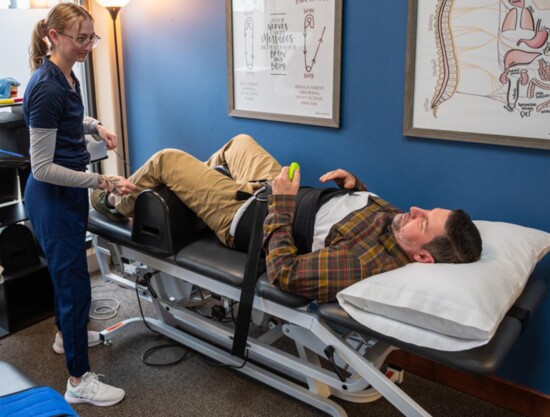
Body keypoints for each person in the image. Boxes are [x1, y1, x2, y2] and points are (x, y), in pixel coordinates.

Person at [91, 134, 482, 303]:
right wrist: (355, 185)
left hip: (248, 216)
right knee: (239, 143)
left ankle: (116, 204)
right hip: (278, 190)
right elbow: (364, 214)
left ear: (423, 257)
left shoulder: (363, 262)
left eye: (423, 221)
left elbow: (285, 272)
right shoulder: (401, 229)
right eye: (425, 211)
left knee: (166, 159)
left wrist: (280, 203)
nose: (414, 211)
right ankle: (191, 198)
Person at [24, 3, 135, 407]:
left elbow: (72, 121)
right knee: (73, 284)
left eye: (92, 37)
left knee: (67, 276)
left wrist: (96, 125)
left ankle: (63, 335)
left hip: (67, 193)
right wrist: (103, 180)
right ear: (54, 37)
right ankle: (77, 380)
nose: (88, 45)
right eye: (80, 38)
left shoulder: (68, 76)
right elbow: (42, 168)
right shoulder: (47, 86)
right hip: (52, 195)